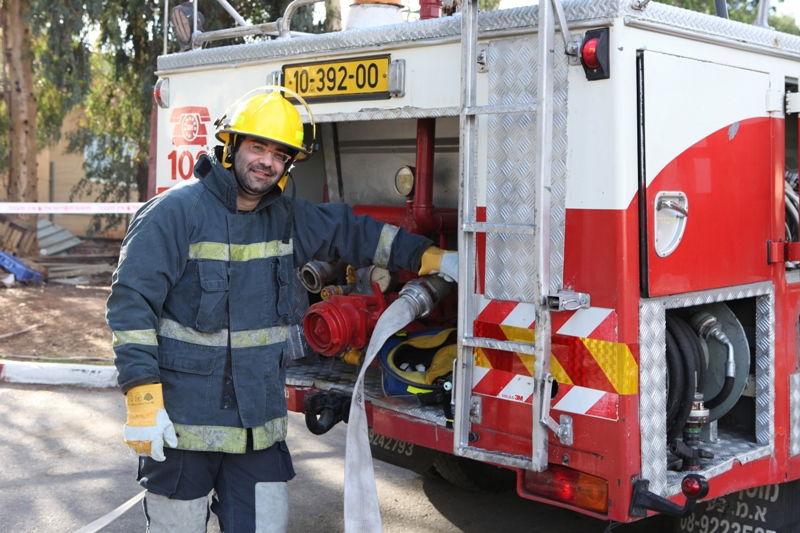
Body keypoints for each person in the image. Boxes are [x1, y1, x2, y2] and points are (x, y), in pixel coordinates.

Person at [106, 87, 457, 532]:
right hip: (183, 429)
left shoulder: (287, 217)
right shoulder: (174, 214)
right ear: (230, 145)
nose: (267, 161)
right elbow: (131, 307)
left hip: (259, 431)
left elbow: (354, 233)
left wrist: (429, 258)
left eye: (280, 154)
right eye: (257, 146)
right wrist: (142, 402)